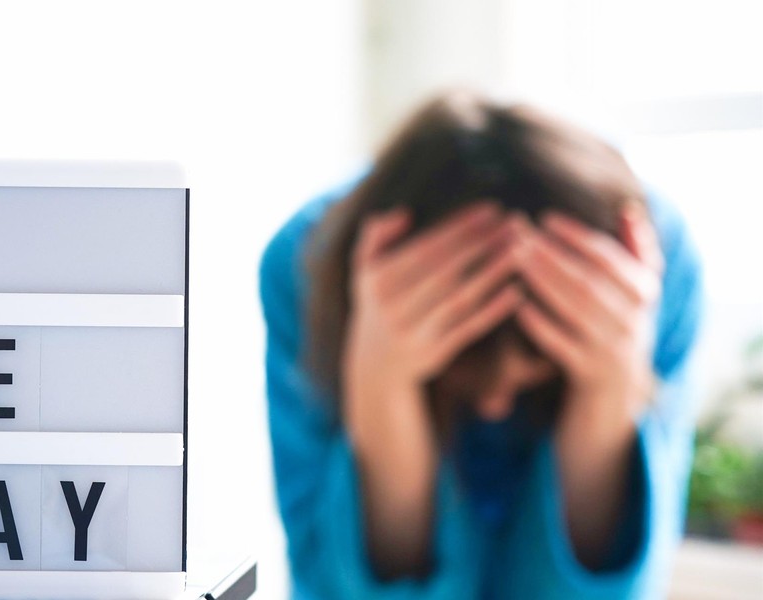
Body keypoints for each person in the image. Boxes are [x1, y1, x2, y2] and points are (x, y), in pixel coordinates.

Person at [259, 90, 702, 599]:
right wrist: (381, 388)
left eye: (533, 370)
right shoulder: (306, 266)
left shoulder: (652, 271)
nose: (494, 407)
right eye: (465, 374)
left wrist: (607, 390)